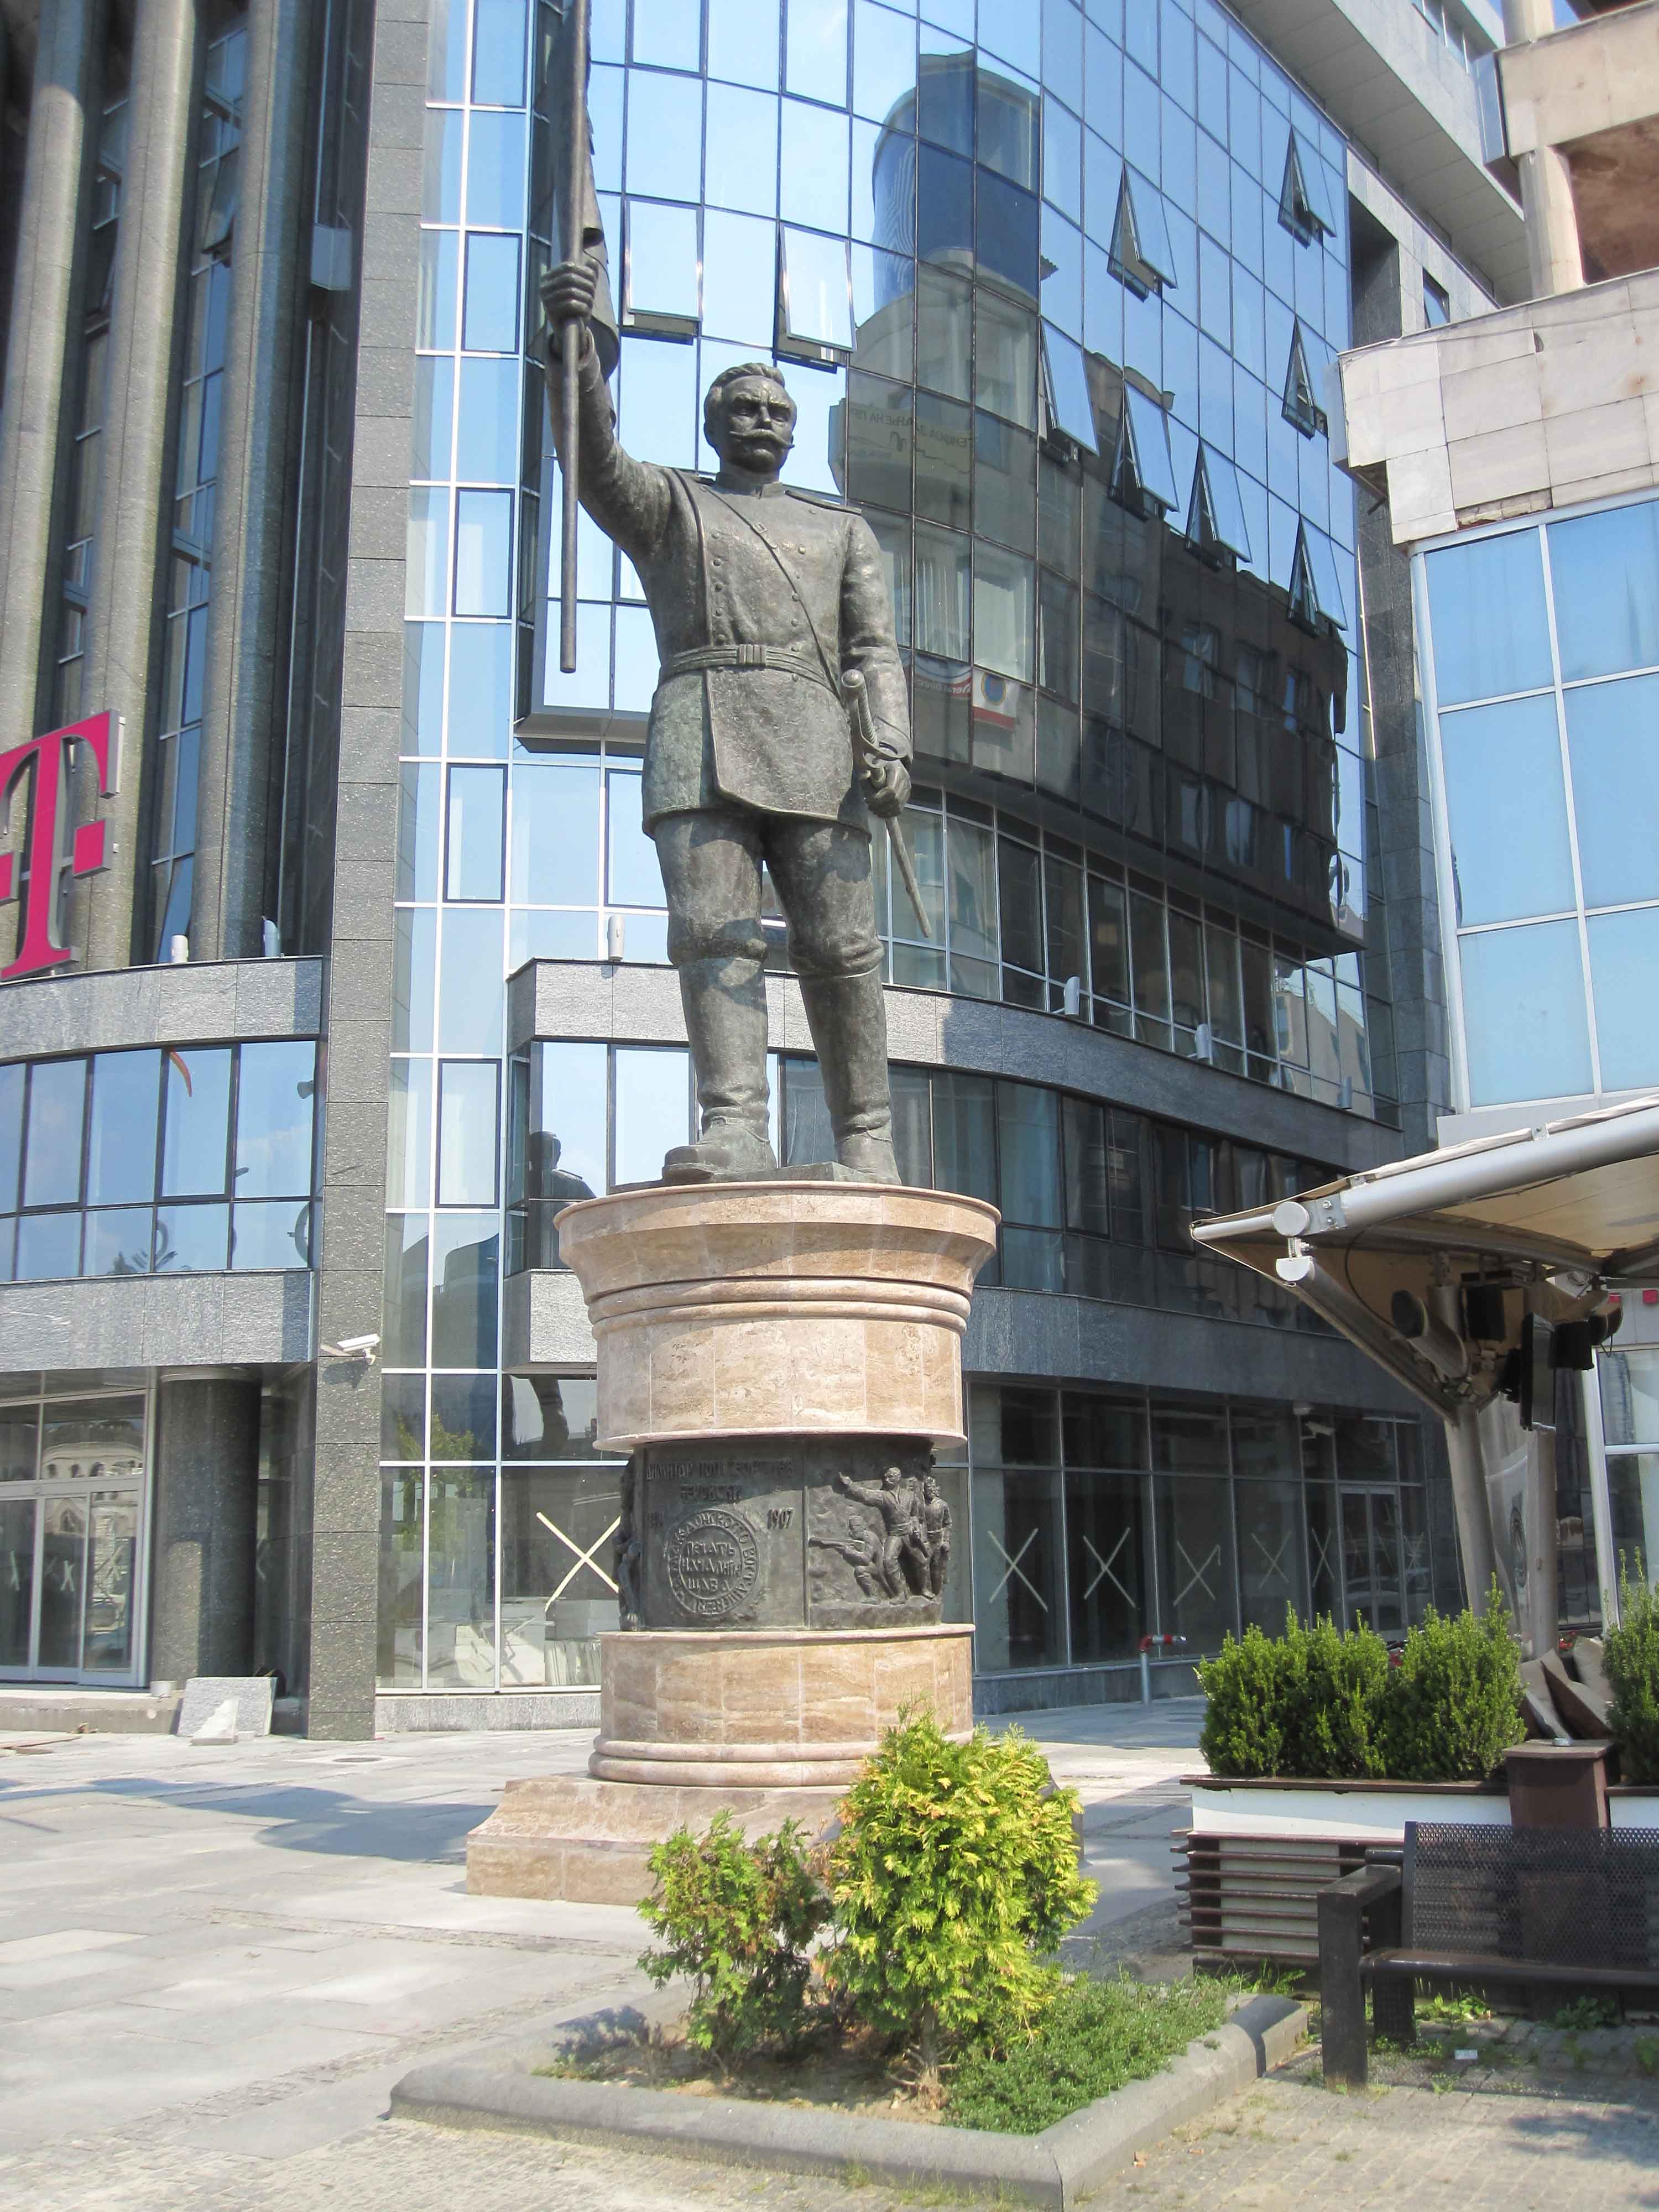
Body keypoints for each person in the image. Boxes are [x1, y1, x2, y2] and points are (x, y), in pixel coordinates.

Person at [541, 255, 914, 1183]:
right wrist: (577, 351)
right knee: (712, 936)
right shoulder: (674, 506)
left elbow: (874, 652)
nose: (763, 423)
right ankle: (736, 1126)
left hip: (819, 744)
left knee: (839, 949)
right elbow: (595, 470)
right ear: (714, 422)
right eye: (745, 408)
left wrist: (893, 745)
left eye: (778, 412)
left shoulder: (841, 530)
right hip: (699, 728)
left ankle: (866, 1139)